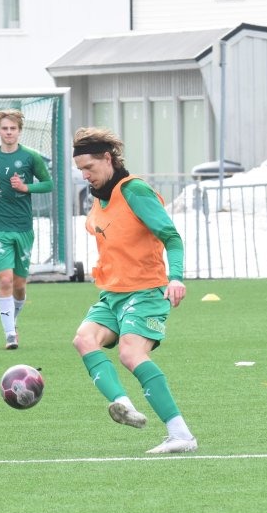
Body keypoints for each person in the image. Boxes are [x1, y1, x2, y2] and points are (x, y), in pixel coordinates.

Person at [71, 127, 196, 455]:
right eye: (80, 169)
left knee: (130, 353)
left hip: (145, 292)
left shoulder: (134, 190)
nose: (84, 175)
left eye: (89, 167)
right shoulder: (99, 198)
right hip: (112, 294)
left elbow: (171, 237)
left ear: (107, 158)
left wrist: (176, 278)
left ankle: (181, 434)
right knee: (84, 340)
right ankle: (123, 405)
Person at [0, 109, 52, 350]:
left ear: (19, 131)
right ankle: (10, 334)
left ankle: (12, 322)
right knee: (4, 279)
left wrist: (26, 187)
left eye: (12, 128)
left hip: (23, 228)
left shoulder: (30, 157)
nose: (8, 132)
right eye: (4, 128)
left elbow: (48, 184)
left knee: (19, 285)